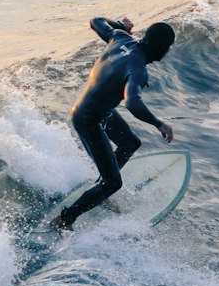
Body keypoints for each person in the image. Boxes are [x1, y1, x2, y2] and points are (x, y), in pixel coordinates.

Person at [52, 15, 176, 232]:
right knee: (113, 184)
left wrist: (122, 27)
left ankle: (100, 187)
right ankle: (65, 219)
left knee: (130, 143)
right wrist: (159, 124)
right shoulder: (137, 70)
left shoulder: (121, 38)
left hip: (96, 111)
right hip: (88, 119)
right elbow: (133, 103)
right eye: (168, 48)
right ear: (162, 49)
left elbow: (95, 21)